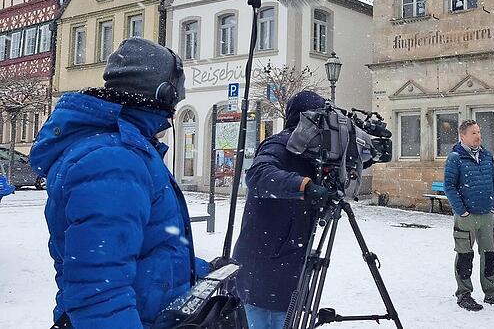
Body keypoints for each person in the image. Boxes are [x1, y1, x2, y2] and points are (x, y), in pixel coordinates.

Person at [29, 38, 212, 328]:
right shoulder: (114, 161)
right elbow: (100, 294)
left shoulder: (125, 151)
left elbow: (146, 252)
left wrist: (200, 270)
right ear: (163, 94)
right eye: (177, 97)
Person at [233, 90, 333, 329]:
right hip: (265, 267)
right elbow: (257, 175)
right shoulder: (280, 144)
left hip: (288, 266)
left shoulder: (312, 155)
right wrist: (304, 187)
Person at [444, 119, 494, 311]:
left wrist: (493, 206)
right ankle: (464, 294)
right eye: (473, 133)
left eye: (479, 132)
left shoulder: (486, 156)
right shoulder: (455, 158)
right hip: (466, 216)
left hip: (486, 215)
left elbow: (493, 180)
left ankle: (492, 293)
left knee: (490, 255)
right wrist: (462, 211)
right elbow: (449, 186)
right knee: (465, 256)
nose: (478, 136)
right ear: (462, 136)